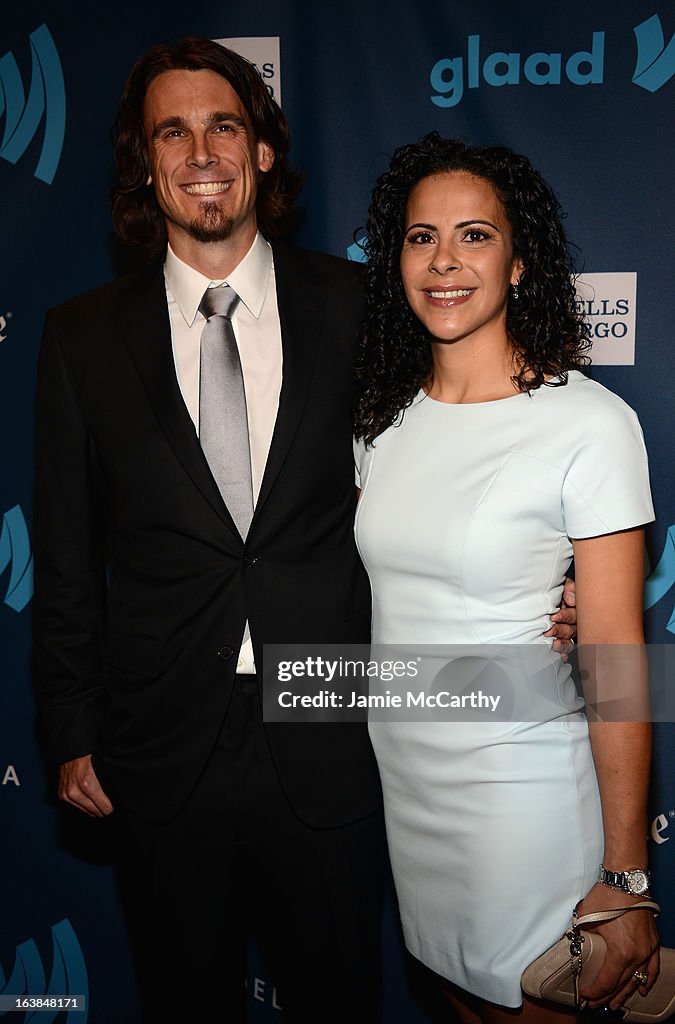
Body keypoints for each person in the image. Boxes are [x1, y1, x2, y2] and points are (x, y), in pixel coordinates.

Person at [33, 37, 385, 1024]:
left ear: (262, 149)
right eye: (172, 132)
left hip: (330, 724)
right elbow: (64, 553)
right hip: (160, 744)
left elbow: (437, 478)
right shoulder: (81, 337)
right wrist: (69, 726)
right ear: (145, 164)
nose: (201, 152)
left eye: (224, 124)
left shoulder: (359, 307)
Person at [353, 133, 659, 1024]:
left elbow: (612, 655)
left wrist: (625, 877)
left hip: (517, 796)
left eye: (474, 235)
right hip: (409, 792)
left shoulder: (588, 424)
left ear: (520, 262)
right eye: (420, 238)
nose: (444, 261)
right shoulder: (381, 422)